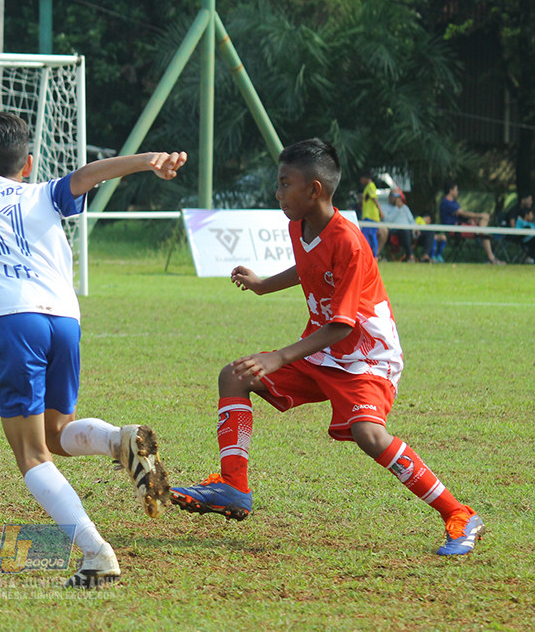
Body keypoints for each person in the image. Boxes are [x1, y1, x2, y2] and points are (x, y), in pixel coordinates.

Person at [0, 111, 187, 587]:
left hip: (11, 324)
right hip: (64, 321)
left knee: (32, 456)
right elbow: (91, 172)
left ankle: (96, 554)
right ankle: (118, 439)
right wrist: (149, 161)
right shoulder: (44, 193)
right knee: (57, 434)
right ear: (28, 163)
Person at [169, 138, 485, 556]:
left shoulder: (350, 241)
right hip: (323, 350)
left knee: (369, 435)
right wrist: (265, 284)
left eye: (285, 184)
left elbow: (342, 324)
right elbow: (309, 267)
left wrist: (279, 355)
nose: (278, 192)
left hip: (366, 355)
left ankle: (459, 514)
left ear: (314, 189)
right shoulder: (299, 225)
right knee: (235, 375)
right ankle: (233, 486)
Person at [438, 181, 503, 265]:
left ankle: (482, 232)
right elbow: (463, 213)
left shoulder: (454, 202)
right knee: (484, 233)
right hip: (454, 229)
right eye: (456, 189)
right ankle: (491, 258)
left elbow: (461, 216)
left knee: (482, 226)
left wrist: (472, 220)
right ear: (451, 191)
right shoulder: (446, 202)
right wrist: (480, 215)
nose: (457, 192)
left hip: (460, 226)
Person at [385, 189, 434, 262]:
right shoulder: (386, 207)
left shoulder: (405, 207)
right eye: (395, 196)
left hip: (409, 231)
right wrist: (397, 208)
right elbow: (386, 221)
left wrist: (415, 228)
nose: (398, 198)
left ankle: (425, 255)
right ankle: (410, 256)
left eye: (399, 196)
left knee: (429, 232)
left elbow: (412, 221)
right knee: (404, 230)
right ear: (390, 197)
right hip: (395, 232)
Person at [359, 170, 385, 260]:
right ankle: (374, 255)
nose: (361, 181)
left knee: (364, 234)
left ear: (365, 178)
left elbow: (374, 199)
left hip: (370, 216)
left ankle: (370, 254)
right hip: (371, 215)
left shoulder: (370, 186)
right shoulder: (369, 187)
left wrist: (380, 211)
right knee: (371, 235)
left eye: (361, 179)